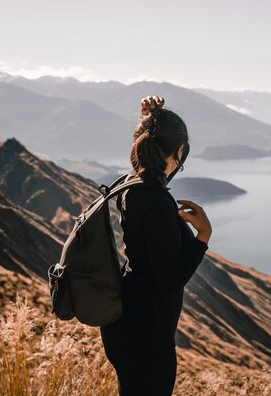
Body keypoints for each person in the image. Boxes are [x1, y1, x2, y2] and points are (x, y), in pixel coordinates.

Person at [99, 95, 212, 396]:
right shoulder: (157, 202)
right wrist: (203, 236)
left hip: (125, 322)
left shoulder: (131, 185)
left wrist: (147, 121)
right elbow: (168, 283)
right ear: (180, 151)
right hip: (147, 338)